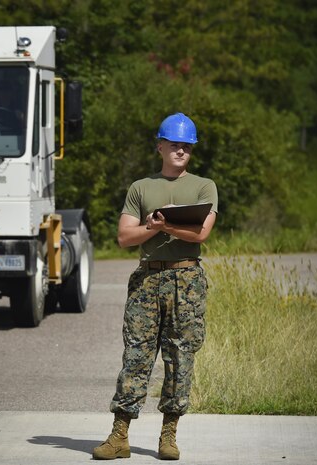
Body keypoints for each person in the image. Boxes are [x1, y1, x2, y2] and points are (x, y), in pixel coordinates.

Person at [93, 113, 218, 461]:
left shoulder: (204, 186)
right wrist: (155, 226)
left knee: (180, 357)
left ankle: (169, 435)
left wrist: (168, 227)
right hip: (147, 278)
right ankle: (119, 436)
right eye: (174, 144)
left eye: (186, 146)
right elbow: (124, 237)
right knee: (136, 356)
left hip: (186, 280)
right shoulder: (141, 187)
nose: (180, 150)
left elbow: (202, 234)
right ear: (160, 146)